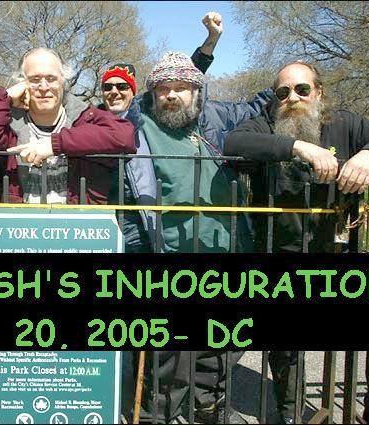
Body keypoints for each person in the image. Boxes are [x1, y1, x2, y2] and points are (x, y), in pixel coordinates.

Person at [224, 60, 369, 424]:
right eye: (283, 92)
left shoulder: (343, 123)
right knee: (285, 346)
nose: (293, 97)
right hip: (281, 258)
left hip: (339, 256)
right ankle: (291, 412)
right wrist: (298, 148)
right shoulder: (265, 124)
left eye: (301, 89)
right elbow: (234, 142)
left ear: (318, 92)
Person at [120, 47, 274, 423]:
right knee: (163, 348)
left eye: (182, 87)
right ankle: (155, 411)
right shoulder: (140, 125)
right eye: (164, 88)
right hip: (168, 249)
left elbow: (258, 106)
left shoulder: (216, 122)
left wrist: (285, 85)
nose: (172, 94)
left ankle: (208, 405)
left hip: (227, 244)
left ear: (197, 93)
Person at [0, 47, 135, 204]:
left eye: (51, 78)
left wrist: (54, 144)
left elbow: (125, 138)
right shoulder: (8, 126)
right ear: (22, 82)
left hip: (77, 233)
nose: (43, 87)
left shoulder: (86, 117)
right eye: (34, 79)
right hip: (19, 233)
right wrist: (7, 97)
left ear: (63, 81)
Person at [99, 11, 223, 117]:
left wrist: (213, 37)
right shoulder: (88, 120)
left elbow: (184, 74)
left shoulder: (144, 114)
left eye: (121, 86)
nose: (114, 92)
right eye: (107, 87)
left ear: (133, 93)